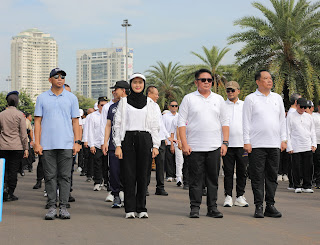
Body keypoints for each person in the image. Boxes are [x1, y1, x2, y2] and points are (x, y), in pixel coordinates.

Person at [178, 68, 229, 219]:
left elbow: (225, 122)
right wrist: (184, 143)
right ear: (196, 82)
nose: (207, 82)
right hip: (194, 147)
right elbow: (181, 123)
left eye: (209, 80)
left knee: (213, 179)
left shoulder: (218, 99)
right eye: (203, 80)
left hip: (214, 146)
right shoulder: (188, 98)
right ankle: (195, 207)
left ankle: (212, 208)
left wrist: (225, 142)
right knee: (195, 179)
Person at [34, 68, 81, 220]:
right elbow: (37, 122)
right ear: (50, 80)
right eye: (56, 76)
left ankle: (64, 207)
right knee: (50, 176)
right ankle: (52, 206)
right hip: (47, 145)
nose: (60, 79)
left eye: (62, 76)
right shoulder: (42, 98)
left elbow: (76, 122)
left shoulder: (71, 98)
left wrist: (77, 142)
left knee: (65, 177)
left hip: (67, 144)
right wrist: (37, 143)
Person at [114, 73, 160, 219]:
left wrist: (156, 145)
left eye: (140, 82)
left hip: (145, 139)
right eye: (135, 82)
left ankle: (142, 208)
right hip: (128, 139)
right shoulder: (124, 102)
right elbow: (118, 124)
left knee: (143, 174)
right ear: (130, 85)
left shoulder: (150, 103)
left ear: (144, 84)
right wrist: (118, 145)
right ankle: (130, 209)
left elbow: (154, 125)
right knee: (128, 175)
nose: (137, 85)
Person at [243, 70, 286, 218]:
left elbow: (282, 120)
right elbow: (246, 122)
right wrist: (247, 142)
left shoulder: (277, 98)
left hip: (274, 144)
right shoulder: (251, 99)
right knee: (257, 176)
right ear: (258, 81)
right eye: (266, 78)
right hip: (256, 145)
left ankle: (270, 205)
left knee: (272, 176)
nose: (269, 80)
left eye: (270, 78)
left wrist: (284, 139)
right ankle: (258, 206)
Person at [102, 80, 130, 207]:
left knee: (128, 172)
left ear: (123, 90)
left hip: (129, 145)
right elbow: (108, 125)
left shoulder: (132, 106)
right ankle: (116, 195)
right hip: (113, 145)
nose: (114, 92)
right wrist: (105, 142)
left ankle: (128, 196)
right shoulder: (112, 107)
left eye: (116, 89)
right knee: (114, 171)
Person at [222, 81, 249, 208]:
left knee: (242, 171)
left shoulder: (245, 105)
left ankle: (240, 196)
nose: (230, 92)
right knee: (227, 171)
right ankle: (228, 196)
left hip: (242, 144)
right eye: (228, 90)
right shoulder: (222, 105)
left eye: (233, 90)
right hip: (227, 145)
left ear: (238, 91)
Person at [0, 91, 29, 201]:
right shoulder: (20, 115)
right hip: (16, 147)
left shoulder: (1, 115)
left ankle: (3, 190)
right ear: (17, 102)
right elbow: (23, 134)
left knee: (4, 170)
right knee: (13, 170)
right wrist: (26, 148)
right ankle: (10, 192)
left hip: (2, 147)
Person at [287, 98, 316, 193]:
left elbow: (312, 131)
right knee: (296, 166)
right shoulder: (290, 116)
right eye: (302, 107)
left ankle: (307, 185)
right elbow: (288, 132)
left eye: (305, 107)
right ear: (297, 105)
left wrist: (314, 143)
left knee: (308, 166)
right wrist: (289, 146)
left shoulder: (309, 117)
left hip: (307, 144)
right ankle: (297, 185)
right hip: (296, 145)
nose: (303, 109)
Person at [146, 86, 171, 195]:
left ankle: (160, 187)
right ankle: (144, 187)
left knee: (160, 165)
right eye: (156, 94)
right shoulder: (144, 105)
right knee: (146, 165)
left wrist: (167, 136)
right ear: (149, 94)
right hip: (149, 139)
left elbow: (160, 123)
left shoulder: (156, 106)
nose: (157, 96)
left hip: (160, 139)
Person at [87, 97, 108, 191]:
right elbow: (90, 131)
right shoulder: (93, 116)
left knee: (107, 165)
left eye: (105, 105)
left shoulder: (109, 115)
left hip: (107, 144)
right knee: (97, 164)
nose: (103, 107)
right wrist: (91, 145)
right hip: (97, 144)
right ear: (98, 106)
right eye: (102, 105)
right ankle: (97, 182)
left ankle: (107, 182)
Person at [286, 93, 301, 190]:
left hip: (296, 142)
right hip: (293, 142)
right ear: (296, 102)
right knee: (293, 164)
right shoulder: (292, 113)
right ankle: (292, 183)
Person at [162, 99, 179, 182]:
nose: (174, 107)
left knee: (177, 159)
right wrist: (165, 138)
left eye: (176, 106)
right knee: (169, 159)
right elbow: (162, 128)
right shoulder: (165, 116)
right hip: (168, 140)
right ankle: (169, 175)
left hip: (177, 141)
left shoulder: (179, 116)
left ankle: (177, 175)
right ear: (169, 107)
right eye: (172, 106)